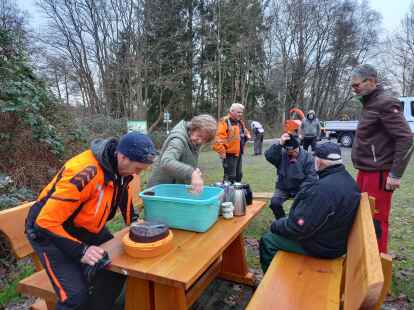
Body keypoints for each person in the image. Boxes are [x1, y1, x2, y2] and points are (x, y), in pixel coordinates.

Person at [25, 132, 157, 309]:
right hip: (49, 232)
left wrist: (132, 221)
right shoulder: (85, 172)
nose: (139, 173)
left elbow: (122, 190)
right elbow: (45, 222)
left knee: (117, 268)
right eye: (139, 168)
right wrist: (82, 251)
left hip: (84, 226)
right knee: (75, 297)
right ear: (123, 156)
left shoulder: (121, 168)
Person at [259, 142, 360, 272]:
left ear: (318, 162)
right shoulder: (348, 181)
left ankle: (273, 280)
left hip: (323, 247)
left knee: (268, 240)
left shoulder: (323, 189)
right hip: (334, 240)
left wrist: (276, 225)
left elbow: (299, 225)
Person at [350, 64, 413, 253]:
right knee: (361, 216)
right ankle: (363, 260)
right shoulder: (369, 103)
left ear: (371, 81)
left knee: (376, 220)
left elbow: (406, 138)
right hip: (365, 172)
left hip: (379, 175)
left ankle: (377, 265)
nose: (354, 89)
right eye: (352, 86)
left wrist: (395, 174)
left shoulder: (385, 102)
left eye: (356, 85)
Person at [147, 114, 217, 192]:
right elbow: (166, 162)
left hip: (173, 191)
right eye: (199, 135)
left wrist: (194, 171)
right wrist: (191, 172)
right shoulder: (178, 140)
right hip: (159, 192)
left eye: (204, 139)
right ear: (193, 128)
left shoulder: (192, 140)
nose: (200, 141)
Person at [264, 133, 317, 219]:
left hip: (301, 188)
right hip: (283, 187)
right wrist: (279, 143)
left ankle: (299, 223)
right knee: (274, 203)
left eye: (295, 152)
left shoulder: (308, 157)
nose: (293, 154)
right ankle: (281, 221)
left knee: (303, 206)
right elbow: (269, 156)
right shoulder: (281, 154)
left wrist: (302, 191)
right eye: (290, 153)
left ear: (298, 147)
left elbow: (311, 178)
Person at [213, 103, 251, 183]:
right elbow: (218, 139)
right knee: (230, 177)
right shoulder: (224, 121)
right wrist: (222, 152)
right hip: (229, 154)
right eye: (238, 112)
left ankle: (236, 194)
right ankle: (227, 194)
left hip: (238, 153)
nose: (240, 114)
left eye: (241, 112)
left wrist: (247, 134)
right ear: (232, 111)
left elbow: (244, 131)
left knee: (239, 175)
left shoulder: (240, 122)